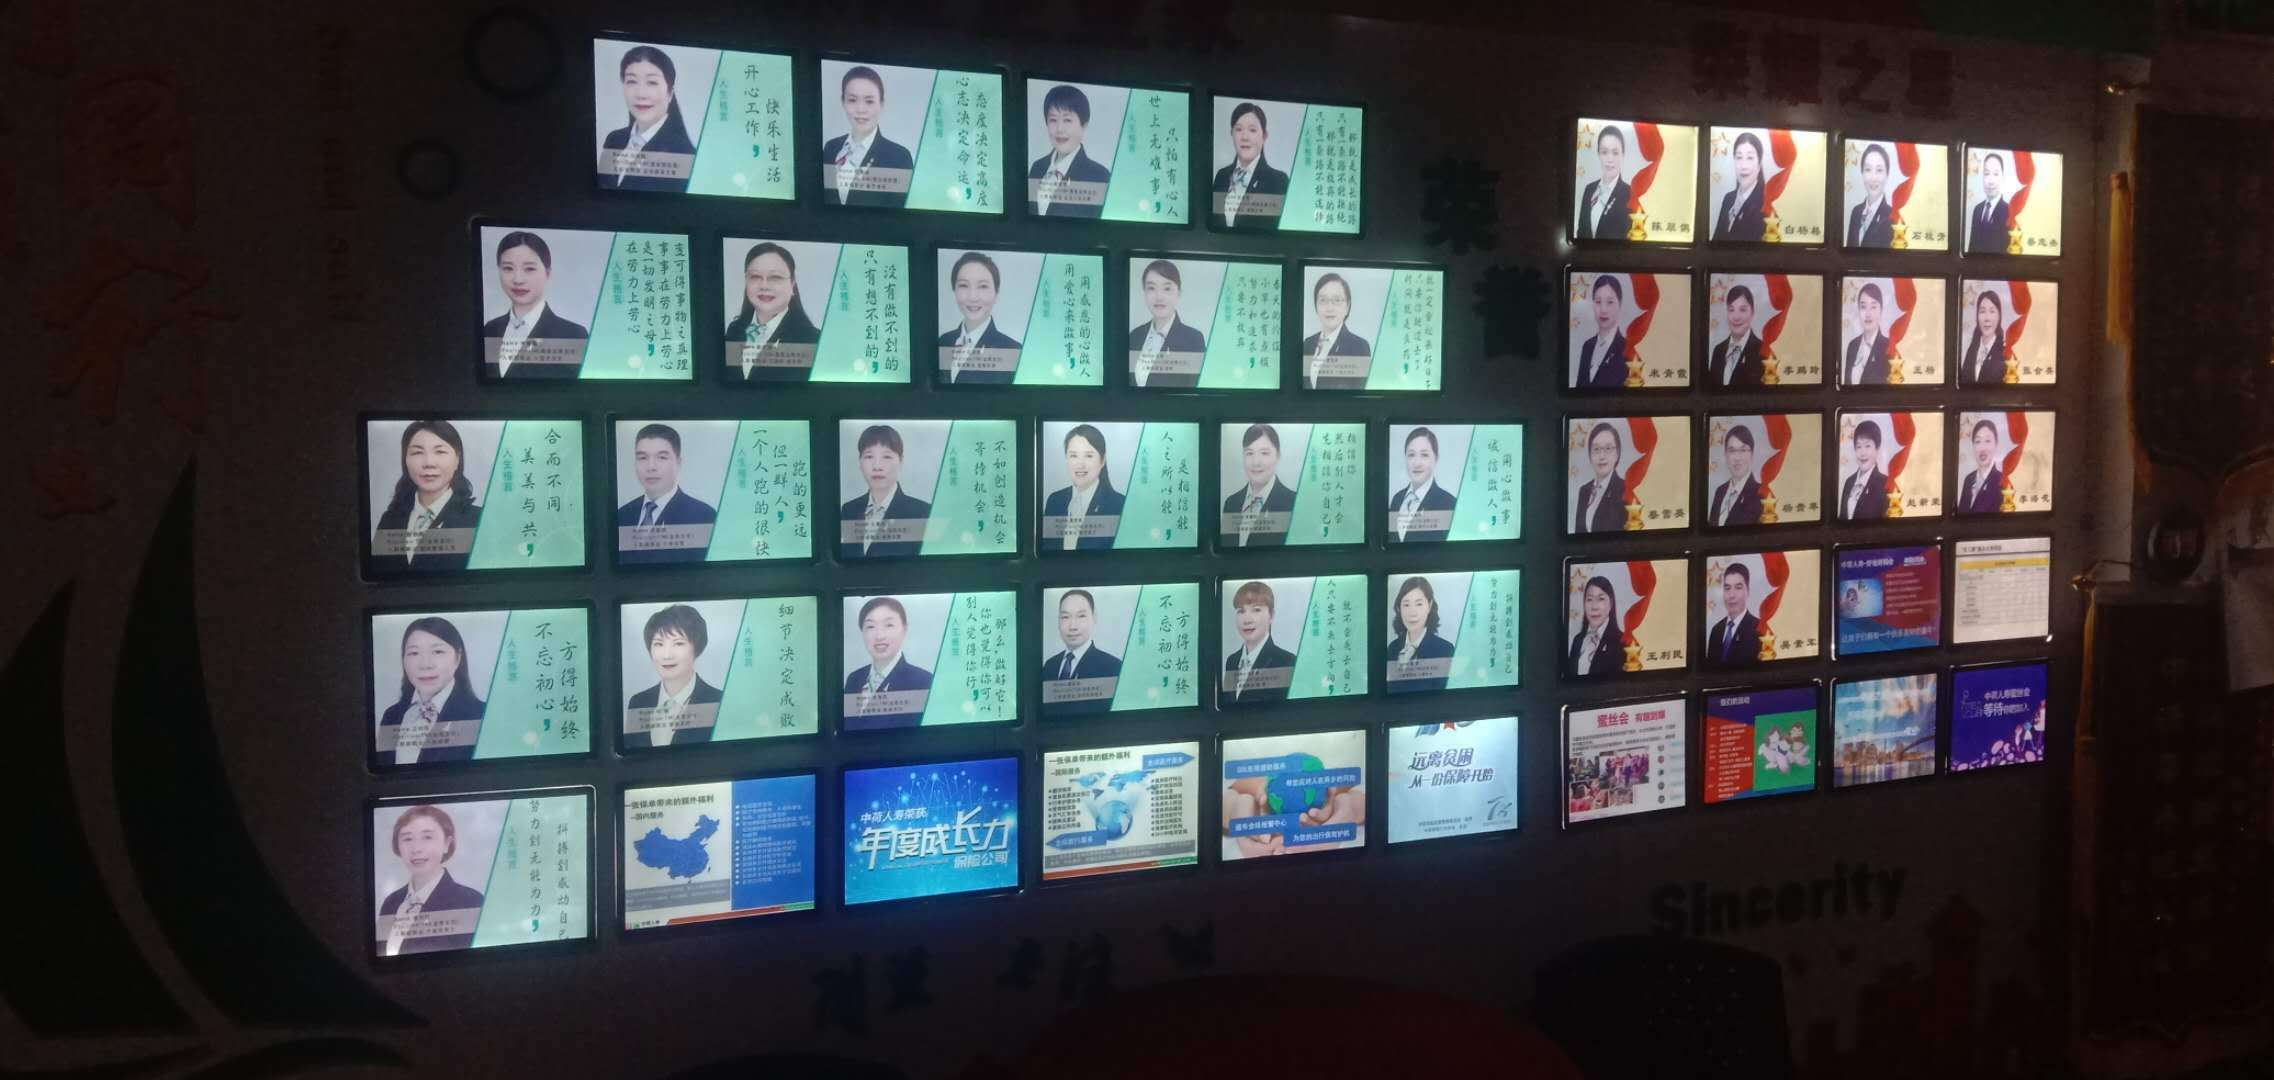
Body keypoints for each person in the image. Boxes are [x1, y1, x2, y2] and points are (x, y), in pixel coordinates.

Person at [371, 420, 483, 574]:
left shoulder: (479, 520)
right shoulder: (390, 519)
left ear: (457, 460)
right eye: (417, 452)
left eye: (440, 452)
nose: (429, 463)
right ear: (405, 460)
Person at [375, 617, 485, 768]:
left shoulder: (482, 715)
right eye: (414, 653)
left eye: (438, 651)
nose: (425, 664)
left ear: (458, 658)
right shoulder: (391, 716)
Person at [378, 805, 485, 956]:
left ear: (447, 844)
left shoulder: (471, 902)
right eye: (407, 839)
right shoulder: (391, 903)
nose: (416, 849)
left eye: (427, 837)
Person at [482, 231, 588, 378]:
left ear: (547, 273)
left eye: (529, 269)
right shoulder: (490, 329)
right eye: (508, 268)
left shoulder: (573, 335)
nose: (518, 280)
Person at [616, 423, 719, 565]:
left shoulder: (704, 516)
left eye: (662, 457)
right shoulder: (622, 514)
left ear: (678, 463)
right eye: (642, 458)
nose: (651, 467)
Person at [599, 45, 695, 192]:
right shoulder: (614, 139)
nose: (641, 94)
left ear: (670, 93)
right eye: (632, 81)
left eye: (652, 82)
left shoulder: (684, 153)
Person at [622, 605, 721, 749]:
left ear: (696, 648)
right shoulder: (638, 702)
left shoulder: (719, 701)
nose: (667, 655)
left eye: (678, 643)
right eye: (659, 644)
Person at [724, 242, 822, 380]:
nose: (764, 285)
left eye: (775, 277)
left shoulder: (813, 340)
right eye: (755, 276)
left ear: (792, 284)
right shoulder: (735, 330)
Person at [820, 66, 913, 208]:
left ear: (881, 104)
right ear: (843, 102)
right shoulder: (831, 148)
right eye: (852, 100)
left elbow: (898, 213)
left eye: (869, 101)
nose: (860, 109)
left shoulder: (899, 157)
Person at [1224, 767, 1363, 857]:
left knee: (1353, 800)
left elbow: (1359, 782)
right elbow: (1229, 788)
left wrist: (1347, 806)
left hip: (1327, 796)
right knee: (1236, 802)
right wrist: (1237, 808)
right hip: (1258, 798)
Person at [839, 424, 931, 559]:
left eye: (886, 457)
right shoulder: (849, 510)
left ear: (901, 461)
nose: (877, 466)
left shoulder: (922, 512)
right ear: (860, 462)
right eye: (869, 456)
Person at [842, 597, 933, 730]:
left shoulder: (924, 681)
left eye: (889, 625)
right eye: (871, 626)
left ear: (904, 629)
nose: (879, 636)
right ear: (862, 632)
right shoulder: (854, 679)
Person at [1028, 84, 1110, 218]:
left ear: (1084, 125)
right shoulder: (1037, 168)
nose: (1059, 129)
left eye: (1067, 120)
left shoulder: (1100, 177)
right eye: (1053, 120)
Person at [937, 251, 1019, 385]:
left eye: (983, 286)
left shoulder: (1013, 351)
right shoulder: (943, 341)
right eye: (964, 285)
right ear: (954, 290)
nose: (973, 297)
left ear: (996, 293)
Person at [1040, 590, 1123, 717]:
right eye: (1065, 617)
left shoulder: (1113, 667)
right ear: (1058, 621)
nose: (1073, 626)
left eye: (1081, 616)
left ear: (1094, 618)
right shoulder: (1050, 664)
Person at [1043, 424, 1125, 551]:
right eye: (1073, 455)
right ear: (1066, 459)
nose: (1080, 464)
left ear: (1102, 460)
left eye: (1088, 456)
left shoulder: (1119, 505)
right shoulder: (1055, 500)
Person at [1128, 260, 1206, 389]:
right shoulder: (1135, 335)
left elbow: (1191, 389)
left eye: (1167, 288)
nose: (1159, 296)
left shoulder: (1193, 339)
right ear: (1144, 292)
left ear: (1178, 293)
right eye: (1151, 288)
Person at [1210, 102, 1289, 230]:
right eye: (1238, 129)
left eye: (1252, 130)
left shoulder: (1278, 181)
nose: (1245, 137)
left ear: (1264, 136)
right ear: (1232, 133)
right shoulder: (1222, 176)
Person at [1221, 580, 1295, 706]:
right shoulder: (1232, 661)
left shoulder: (1288, 661)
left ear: (1271, 615)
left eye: (1256, 610)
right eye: (1241, 611)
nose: (1247, 620)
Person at [1222, 423, 1296, 547]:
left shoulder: (1294, 503)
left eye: (1264, 453)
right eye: (1249, 453)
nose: (1256, 462)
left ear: (1278, 456)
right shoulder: (1231, 503)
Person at [1300, 273, 1371, 390]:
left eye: (1337, 300)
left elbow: (1355, 391)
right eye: (1323, 300)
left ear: (1347, 307)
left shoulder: (1359, 346)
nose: (1329, 308)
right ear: (1316, 306)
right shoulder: (1307, 344)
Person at [1385, 576, 1455, 694]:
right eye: (1406, 605)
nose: (1412, 613)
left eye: (1419, 604)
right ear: (1399, 608)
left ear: (1429, 606)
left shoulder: (1445, 649)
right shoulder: (1392, 648)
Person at [1388, 427, 1456, 543]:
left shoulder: (1449, 503)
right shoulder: (1397, 499)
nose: (1417, 463)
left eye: (1424, 455)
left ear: (1436, 458)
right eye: (1411, 455)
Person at [1576, 125, 1632, 241]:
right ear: (1598, 154)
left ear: (1623, 155)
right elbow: (1581, 232)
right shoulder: (1589, 189)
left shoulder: (1630, 193)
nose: (1609, 159)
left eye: (1615, 153)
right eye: (1604, 152)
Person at [1703, 563, 1763, 669]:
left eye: (1738, 588)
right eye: (1727, 588)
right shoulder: (1716, 630)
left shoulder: (1759, 629)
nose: (1731, 595)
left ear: (1748, 591)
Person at [1574, 275, 1629, 389]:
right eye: (1598, 302)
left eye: (1610, 302)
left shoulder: (1627, 349)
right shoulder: (1587, 346)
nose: (1603, 309)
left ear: (1620, 305)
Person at [1571, 422, 1626, 534]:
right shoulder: (1584, 490)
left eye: (1608, 448)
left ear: (1617, 453)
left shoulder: (1626, 489)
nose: (1602, 456)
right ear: (1590, 455)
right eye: (1596, 449)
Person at [1707, 424, 1763, 528]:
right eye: (1732, 450)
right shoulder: (1720, 491)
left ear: (1752, 454)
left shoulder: (1761, 494)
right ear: (1725, 455)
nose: (1737, 458)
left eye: (1743, 450)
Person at [1566, 575, 1622, 679]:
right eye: (1589, 599)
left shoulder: (1622, 642)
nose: (1594, 607)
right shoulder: (1578, 640)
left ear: (1611, 603)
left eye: (1601, 599)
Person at [1710, 284, 1766, 388]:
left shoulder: (1764, 352)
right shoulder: (1718, 350)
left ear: (1752, 313)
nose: (1736, 317)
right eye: (1731, 310)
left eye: (1742, 310)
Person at [1715, 132, 1768, 241]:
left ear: (1759, 164)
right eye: (1739, 157)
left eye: (1750, 158)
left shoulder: (1766, 207)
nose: (1744, 166)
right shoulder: (1728, 199)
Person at [1842, 283, 1892, 387]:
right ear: (1858, 310)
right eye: (1863, 307)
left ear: (1881, 310)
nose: (1868, 314)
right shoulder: (1852, 345)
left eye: (1873, 307)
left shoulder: (1889, 347)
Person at [1839, 420, 1889, 521]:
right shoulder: (1849, 482)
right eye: (1859, 446)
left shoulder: (1885, 484)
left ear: (1877, 449)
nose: (1863, 453)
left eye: (1867, 446)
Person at [1847, 143, 1895, 248]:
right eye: (1868, 169)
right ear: (1862, 173)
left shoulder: (1893, 217)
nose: (1873, 178)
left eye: (1879, 170)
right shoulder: (1856, 212)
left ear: (1887, 174)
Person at [1957, 419, 2007, 514]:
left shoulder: (2002, 481)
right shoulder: (1968, 479)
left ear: (1996, 444)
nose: (1982, 448)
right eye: (1978, 441)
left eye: (1987, 441)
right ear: (1973, 446)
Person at [1958, 291, 2006, 386]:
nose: (1987, 318)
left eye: (1992, 311)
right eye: (1982, 311)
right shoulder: (1972, 348)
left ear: (1999, 316)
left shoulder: (2005, 352)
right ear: (1977, 316)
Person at [1967, 152, 2010, 254]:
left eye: (1996, 174)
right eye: (1986, 174)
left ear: (2003, 177)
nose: (1990, 181)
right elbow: (1971, 248)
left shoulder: (2010, 211)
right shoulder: (1977, 209)